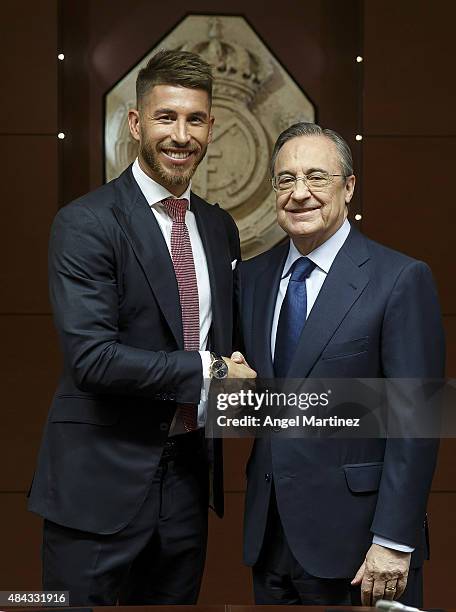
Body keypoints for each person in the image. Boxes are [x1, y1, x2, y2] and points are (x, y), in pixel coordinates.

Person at [28, 49, 255, 606]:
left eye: (195, 119)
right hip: (96, 485)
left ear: (210, 128)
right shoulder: (86, 223)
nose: (182, 135)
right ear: (136, 124)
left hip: (187, 480)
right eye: (166, 117)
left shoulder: (219, 227)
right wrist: (211, 369)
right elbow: (93, 359)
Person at [235, 122, 445, 606]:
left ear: (348, 186)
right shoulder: (253, 278)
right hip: (269, 541)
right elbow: (254, 407)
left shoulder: (399, 279)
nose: (299, 193)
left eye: (316, 177)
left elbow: (417, 422)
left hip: (362, 550)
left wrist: (394, 541)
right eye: (285, 180)